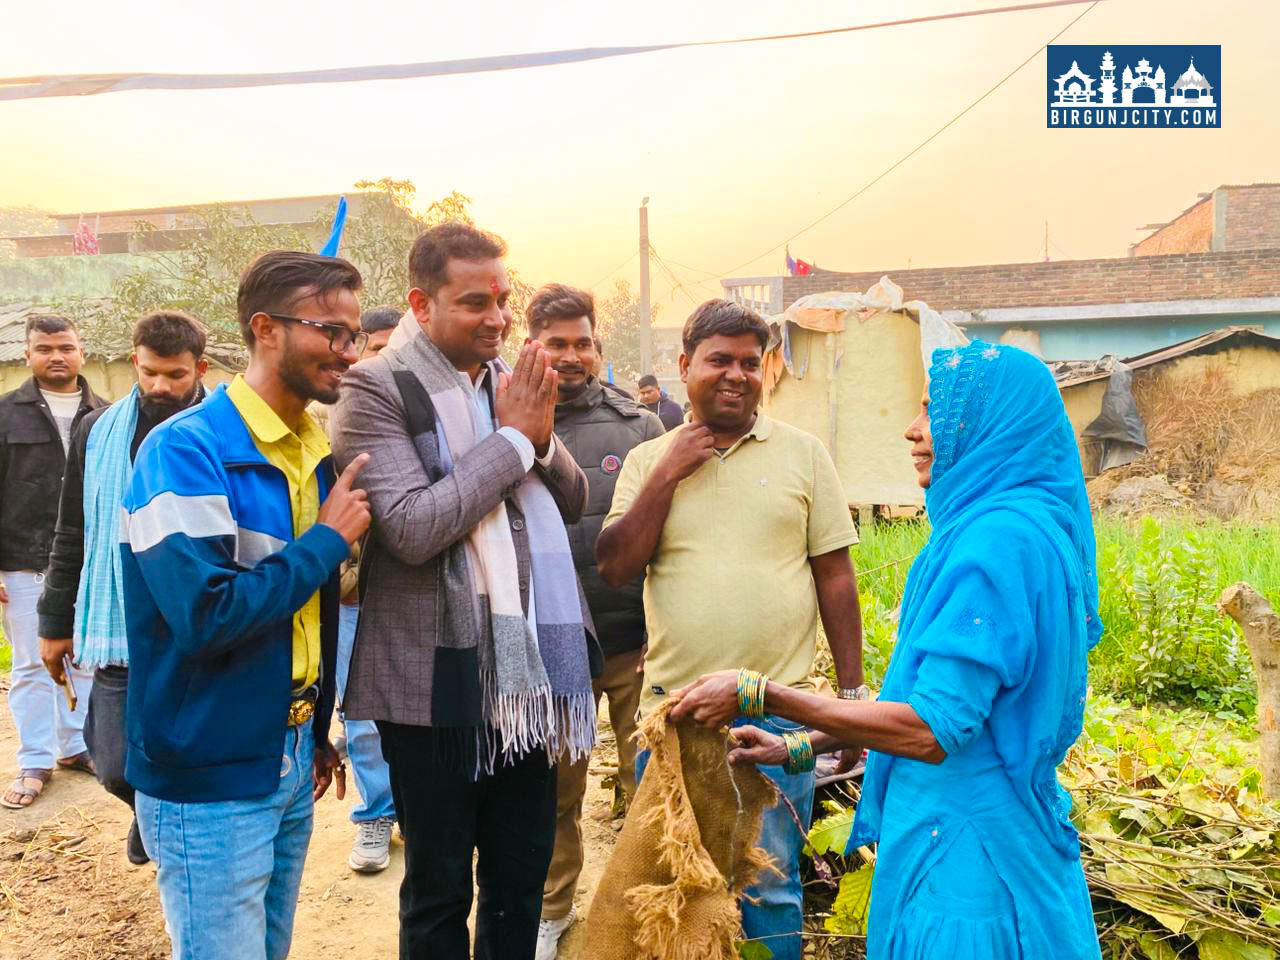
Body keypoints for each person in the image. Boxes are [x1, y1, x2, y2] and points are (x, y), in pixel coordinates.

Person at [671, 340, 1104, 959]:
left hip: (966, 861)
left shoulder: (995, 543)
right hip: (999, 827)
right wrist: (797, 746)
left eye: (934, 410)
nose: (913, 429)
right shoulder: (1026, 526)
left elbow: (931, 729)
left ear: (992, 424)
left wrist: (760, 693)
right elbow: (941, 701)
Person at [331, 222, 600, 960]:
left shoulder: (505, 379)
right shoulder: (374, 388)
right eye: (475, 302)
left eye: (503, 300)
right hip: (432, 684)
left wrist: (537, 437)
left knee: (519, 879)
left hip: (526, 679)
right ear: (421, 304)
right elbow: (413, 528)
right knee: (439, 889)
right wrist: (512, 442)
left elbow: (572, 501)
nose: (497, 318)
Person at [596, 299, 865, 960]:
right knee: (674, 884)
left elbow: (835, 575)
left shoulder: (804, 455)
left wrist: (852, 700)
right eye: (719, 360)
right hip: (675, 719)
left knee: (769, 885)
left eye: (750, 362)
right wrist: (670, 471)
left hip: (777, 715)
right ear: (684, 365)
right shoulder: (648, 461)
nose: (736, 375)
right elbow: (617, 566)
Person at [121, 251, 371, 960]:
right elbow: (207, 615)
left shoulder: (311, 449)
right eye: (331, 331)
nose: (348, 352)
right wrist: (326, 540)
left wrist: (312, 727)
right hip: (210, 767)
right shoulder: (185, 450)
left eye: (353, 334)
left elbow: (302, 614)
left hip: (284, 751)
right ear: (266, 328)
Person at [36, 311, 209, 863]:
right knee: (112, 763)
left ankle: (168, 831)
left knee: (187, 747)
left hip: (194, 618)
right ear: (135, 361)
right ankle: (150, 811)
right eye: (150, 372)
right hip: (119, 621)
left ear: (200, 369)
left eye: (175, 375)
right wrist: (54, 623)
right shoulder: (96, 431)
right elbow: (73, 529)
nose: (160, 386)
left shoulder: (220, 428)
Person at [524, 283, 664, 959]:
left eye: (582, 343)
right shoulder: (505, 422)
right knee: (555, 795)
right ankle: (553, 911)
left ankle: (645, 912)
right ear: (531, 348)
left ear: (599, 347)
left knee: (650, 786)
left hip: (635, 643)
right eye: (556, 344)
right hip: (551, 651)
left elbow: (668, 534)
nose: (571, 356)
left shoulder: (640, 426)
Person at [0, 315, 105, 809]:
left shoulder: (105, 414)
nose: (56, 356)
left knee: (85, 659)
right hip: (23, 561)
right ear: (28, 355)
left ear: (82, 352)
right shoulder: (5, 415)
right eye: (44, 349)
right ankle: (35, 760)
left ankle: (76, 745)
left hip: (87, 563)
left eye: (65, 347)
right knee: (30, 664)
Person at [332, 304, 402, 874]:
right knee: (361, 715)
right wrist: (343, 580)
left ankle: (420, 811)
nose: (387, 357)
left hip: (416, 593)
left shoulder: (430, 410)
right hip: (355, 596)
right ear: (359, 350)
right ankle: (376, 812)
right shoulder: (333, 414)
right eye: (378, 346)